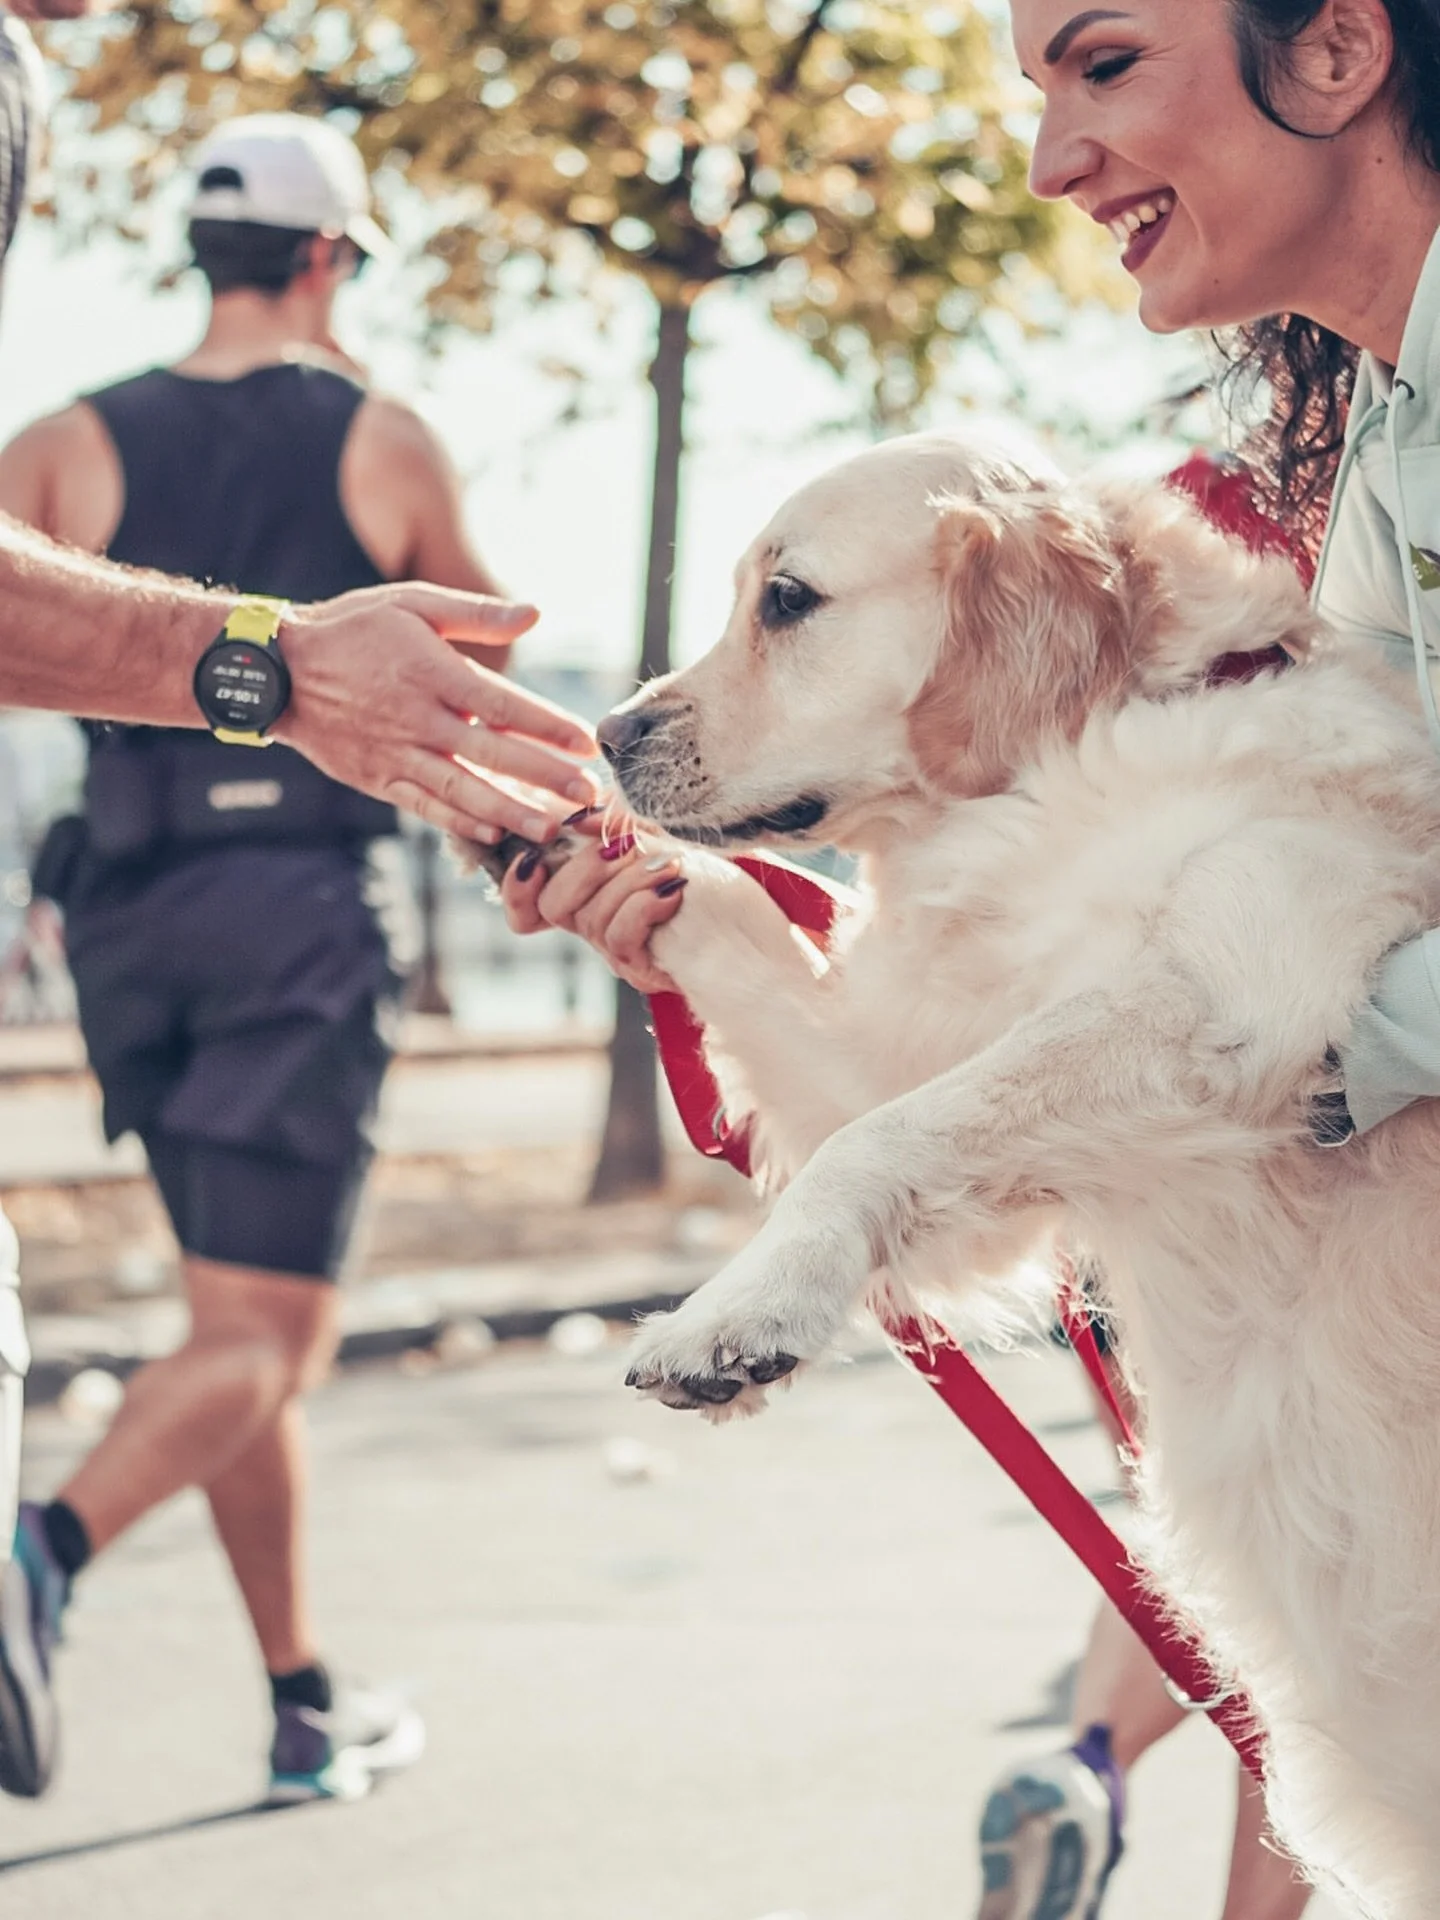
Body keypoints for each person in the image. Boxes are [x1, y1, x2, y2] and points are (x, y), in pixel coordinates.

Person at [503, 2, 1440, 1911]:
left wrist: (1336, 1045)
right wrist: (729, 943)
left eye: (1104, 64)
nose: (1050, 159)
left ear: (1337, 51)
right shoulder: (1383, 470)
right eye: (1034, 90)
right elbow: (1000, 1184)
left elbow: (1240, 1021)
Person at [0, 110, 590, 1809]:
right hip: (295, 924)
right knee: (276, 1335)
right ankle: (35, 1559)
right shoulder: (381, 441)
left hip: (128, 920)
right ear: (331, 258)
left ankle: (301, 1701)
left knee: (229, 1318)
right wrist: (580, 856)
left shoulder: (57, 446)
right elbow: (494, 691)